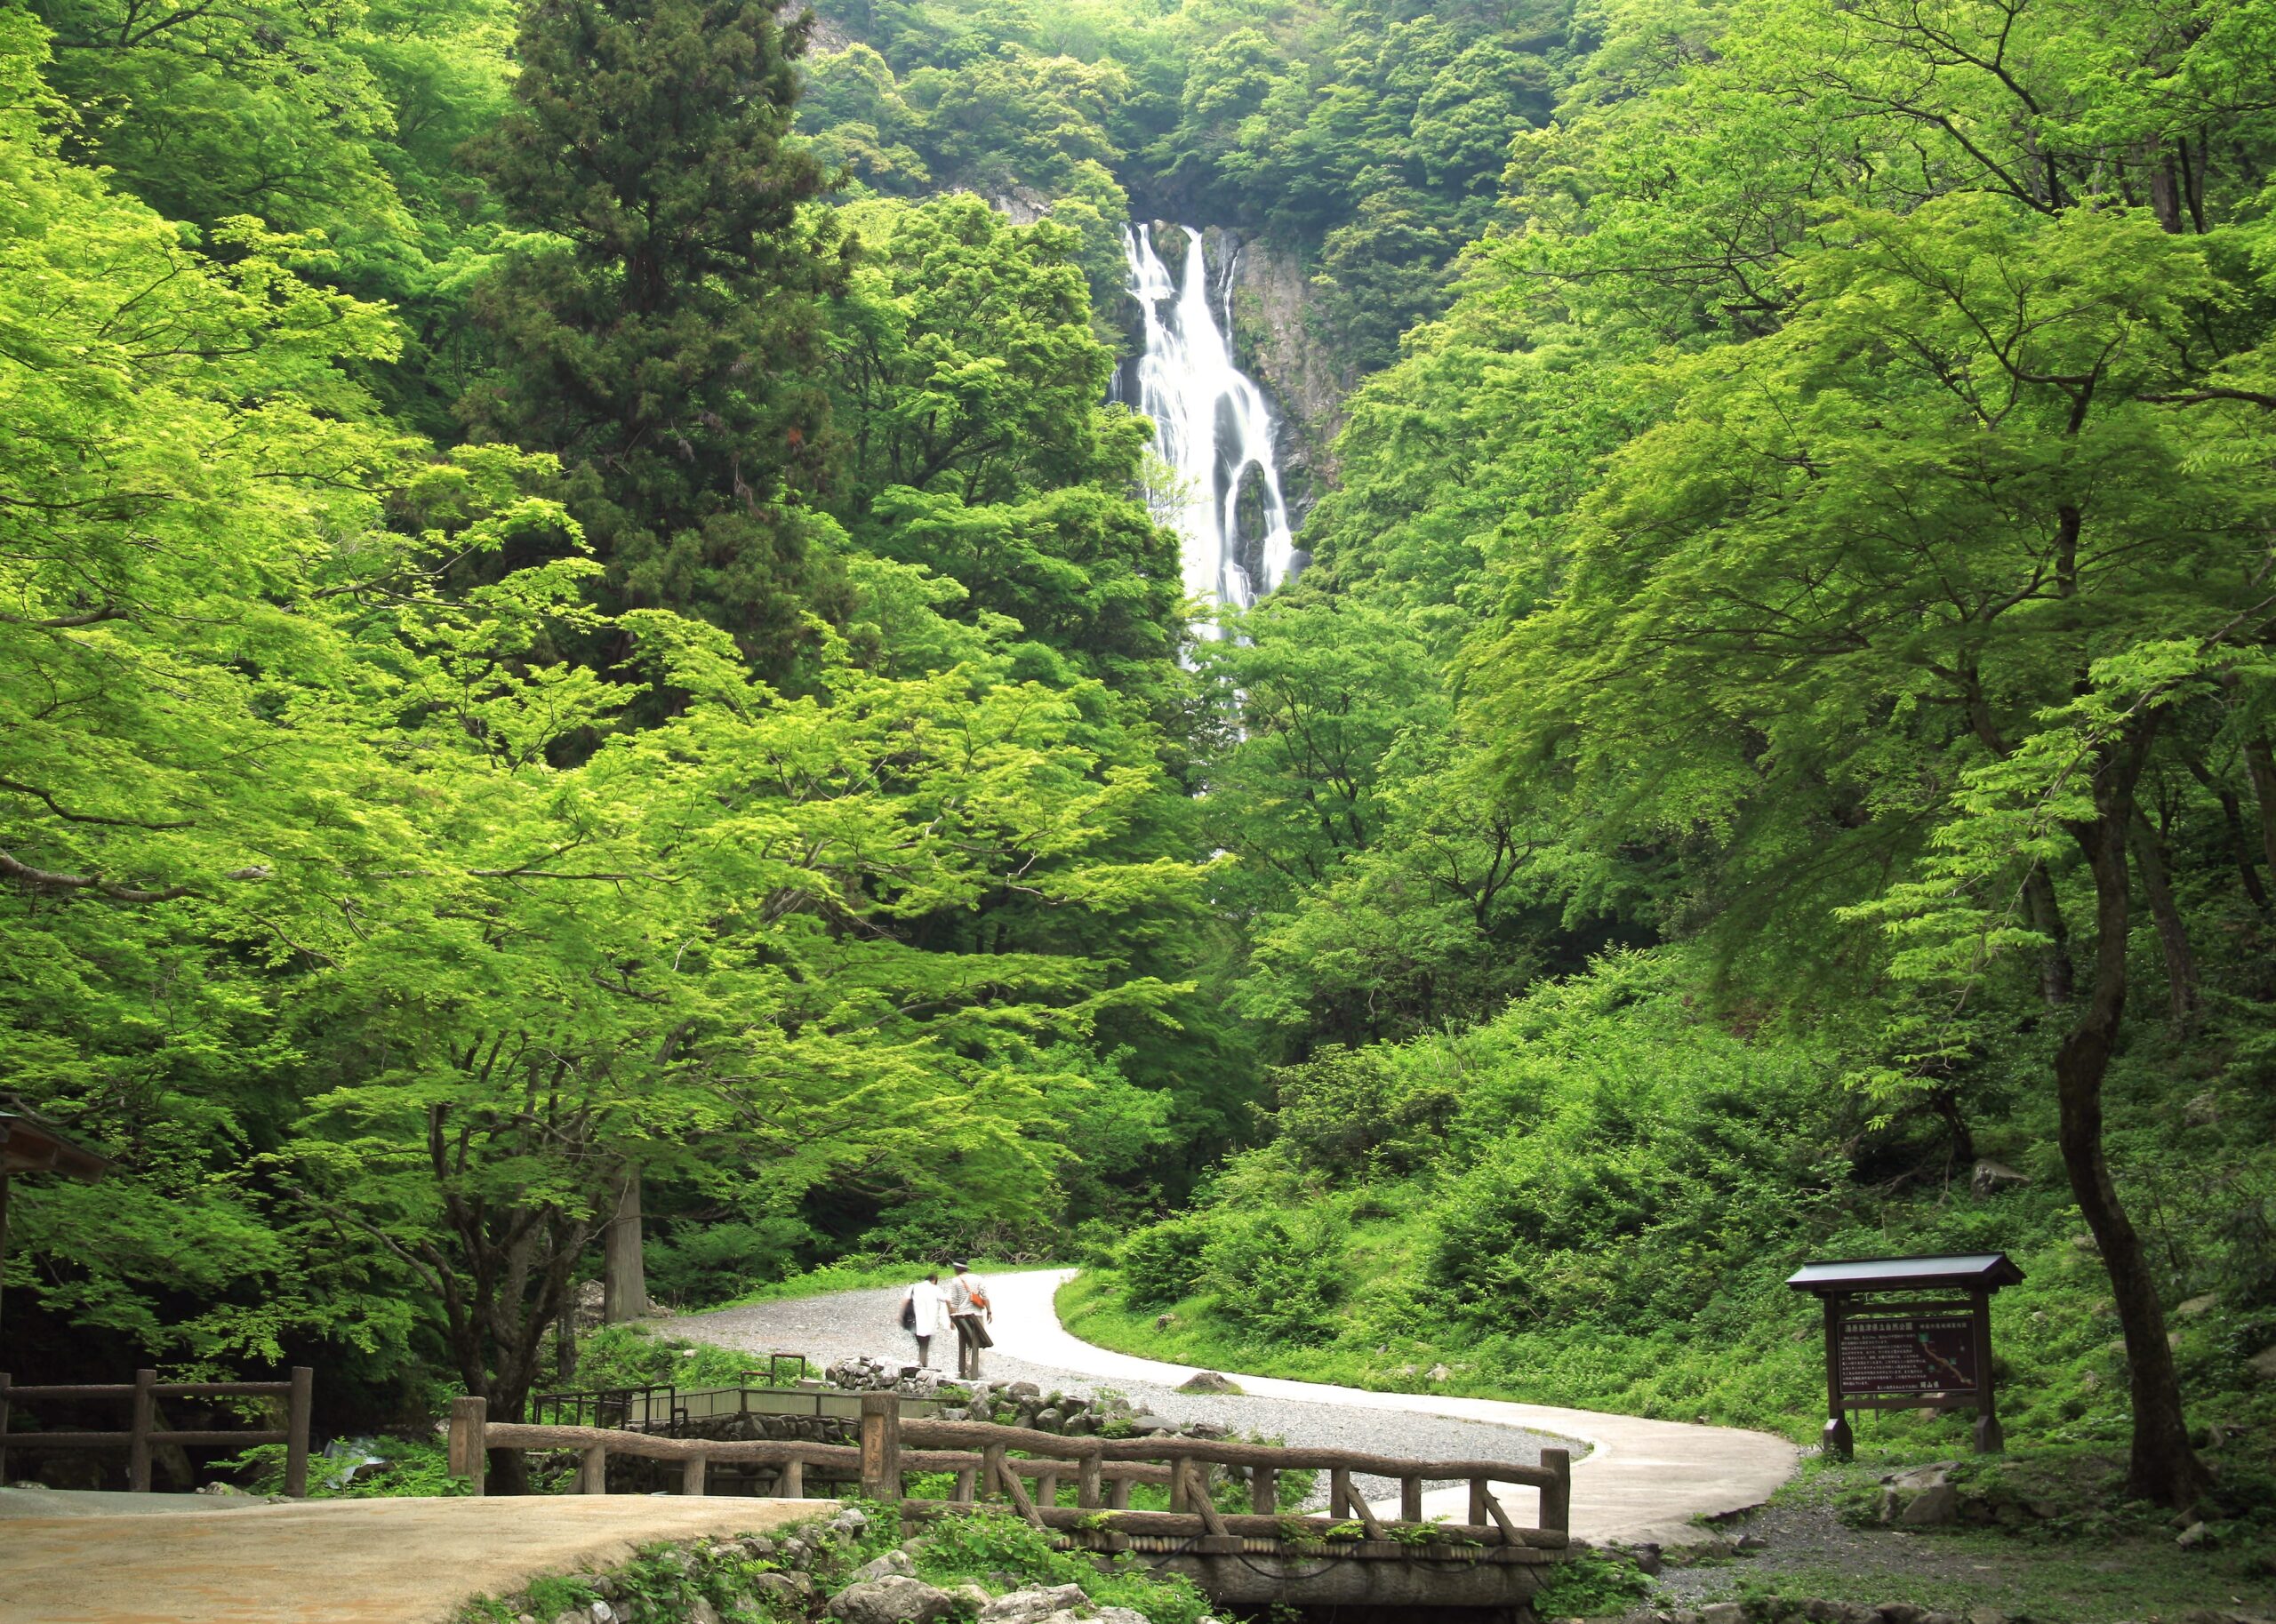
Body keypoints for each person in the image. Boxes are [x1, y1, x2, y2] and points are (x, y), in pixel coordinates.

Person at [945, 1259, 993, 1380]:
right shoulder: (977, 1278)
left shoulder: (955, 1281)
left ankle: (965, 1369)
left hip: (962, 1316)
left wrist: (952, 1319)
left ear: (957, 1269)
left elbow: (954, 1302)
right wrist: (989, 1311)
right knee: (979, 1341)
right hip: (976, 1314)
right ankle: (977, 1370)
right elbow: (985, 1295)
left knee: (965, 1341)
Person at [902, 1271, 949, 1369]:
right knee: (924, 1344)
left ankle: (922, 1363)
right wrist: (951, 1316)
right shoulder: (935, 1289)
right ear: (934, 1280)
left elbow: (905, 1300)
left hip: (914, 1321)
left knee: (921, 1343)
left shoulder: (914, 1287)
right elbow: (947, 1300)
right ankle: (922, 1365)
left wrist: (901, 1315)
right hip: (929, 1322)